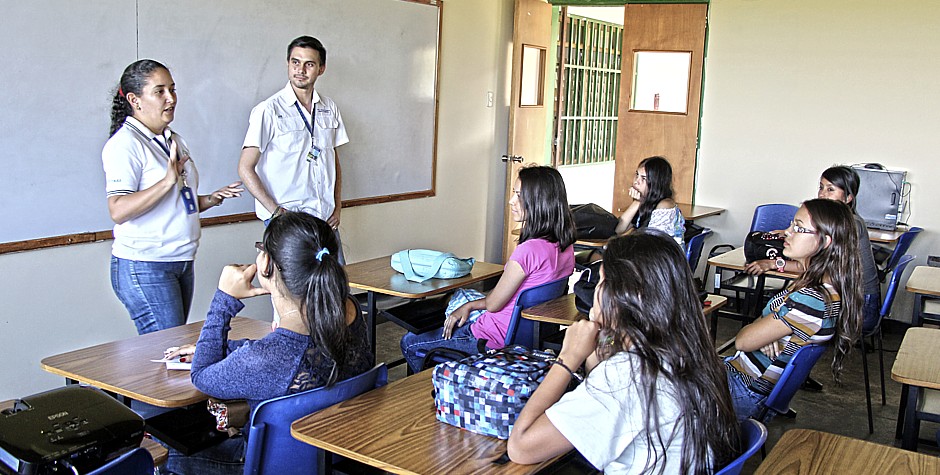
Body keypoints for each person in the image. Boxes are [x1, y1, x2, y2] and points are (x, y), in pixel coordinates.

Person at [508, 230, 740, 473]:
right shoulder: (685, 348)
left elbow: (522, 447)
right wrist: (604, 335)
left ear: (627, 296)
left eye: (601, 281)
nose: (595, 291)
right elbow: (598, 376)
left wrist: (567, 358)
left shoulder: (628, 375)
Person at [164, 211, 372, 475]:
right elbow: (292, 350)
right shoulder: (349, 310)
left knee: (167, 450)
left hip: (272, 464)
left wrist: (224, 298)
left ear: (266, 265)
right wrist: (229, 348)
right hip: (336, 453)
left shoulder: (269, 357)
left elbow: (202, 375)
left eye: (262, 248)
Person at [103, 59, 243, 335]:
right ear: (135, 100)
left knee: (173, 346)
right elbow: (118, 209)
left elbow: (175, 202)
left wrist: (210, 199)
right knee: (169, 350)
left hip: (180, 259)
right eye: (160, 91)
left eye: (173, 89)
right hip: (146, 265)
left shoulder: (172, 139)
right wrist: (167, 181)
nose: (171, 98)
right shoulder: (125, 145)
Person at [400, 166, 576, 372]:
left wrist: (467, 307)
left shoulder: (528, 251)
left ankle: (439, 391)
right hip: (527, 336)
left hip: (491, 339)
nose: (511, 201)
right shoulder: (566, 247)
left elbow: (493, 304)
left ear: (539, 201)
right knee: (464, 299)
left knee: (410, 342)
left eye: (519, 195)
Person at [726, 199, 862, 421]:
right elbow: (775, 326)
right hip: (747, 381)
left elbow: (742, 342)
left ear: (825, 241)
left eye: (798, 228)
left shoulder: (811, 299)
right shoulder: (825, 284)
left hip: (744, 389)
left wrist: (765, 324)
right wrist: (770, 324)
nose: (786, 233)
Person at [238, 35, 349, 264]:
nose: (301, 70)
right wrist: (276, 213)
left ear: (321, 69)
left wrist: (337, 207)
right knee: (294, 296)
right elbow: (245, 168)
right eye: (295, 62)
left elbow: (333, 161)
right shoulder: (268, 110)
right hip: (288, 224)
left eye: (309, 64)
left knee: (335, 290)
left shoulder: (329, 108)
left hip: (325, 221)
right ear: (287, 64)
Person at [744, 166, 880, 333]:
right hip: (848, 296)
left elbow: (812, 266)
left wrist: (773, 263)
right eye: (821, 187)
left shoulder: (848, 224)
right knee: (781, 310)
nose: (823, 194)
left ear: (848, 198)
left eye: (831, 189)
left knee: (785, 311)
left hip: (860, 306)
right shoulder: (843, 222)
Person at [614, 156, 686, 247]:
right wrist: (637, 202)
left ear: (656, 182)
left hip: (663, 258)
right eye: (637, 175)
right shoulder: (645, 202)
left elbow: (651, 243)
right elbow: (619, 229)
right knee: (599, 254)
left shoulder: (665, 205)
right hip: (648, 255)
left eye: (643, 178)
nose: (636, 181)